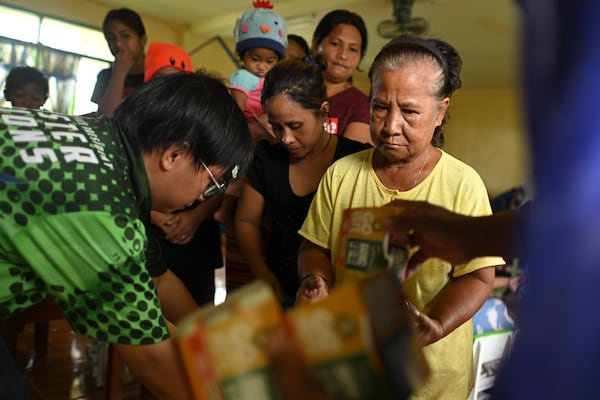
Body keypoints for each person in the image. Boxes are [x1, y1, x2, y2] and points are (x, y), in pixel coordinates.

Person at [0, 72, 254, 399]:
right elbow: (153, 360)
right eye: (213, 181)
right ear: (174, 154)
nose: (206, 196)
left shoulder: (101, 139)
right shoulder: (99, 207)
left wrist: (209, 337)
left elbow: (158, 279)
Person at [296, 36, 504, 400]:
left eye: (409, 112)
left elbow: (480, 276)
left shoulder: (462, 185)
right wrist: (316, 279)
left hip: (432, 381)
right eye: (379, 107)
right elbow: (313, 246)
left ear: (440, 112)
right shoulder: (342, 174)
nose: (391, 125)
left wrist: (436, 324)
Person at [235, 58, 371, 308]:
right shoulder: (268, 159)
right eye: (276, 127)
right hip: (281, 292)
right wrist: (263, 274)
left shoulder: (357, 160)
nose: (286, 138)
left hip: (344, 298)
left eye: (295, 126)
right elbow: (246, 220)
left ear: (323, 112)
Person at [143, 42, 224, 307]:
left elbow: (220, 181)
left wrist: (194, 217)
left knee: (199, 300)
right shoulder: (137, 128)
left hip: (198, 235)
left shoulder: (203, 128)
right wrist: (157, 216)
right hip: (153, 230)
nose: (170, 91)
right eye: (161, 81)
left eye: (178, 82)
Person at [229, 0, 287, 145]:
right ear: (242, 56)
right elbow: (236, 111)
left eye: (269, 61)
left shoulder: (271, 79)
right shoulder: (243, 77)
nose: (261, 66)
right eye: (255, 59)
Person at [310, 9, 372, 144]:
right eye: (335, 44)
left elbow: (350, 159)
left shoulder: (362, 104)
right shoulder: (293, 89)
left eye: (352, 49)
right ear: (315, 45)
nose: (343, 55)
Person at [91, 7, 147, 117]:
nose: (118, 44)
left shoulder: (157, 75)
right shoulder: (105, 76)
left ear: (142, 40)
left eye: (125, 36)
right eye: (111, 38)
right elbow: (106, 118)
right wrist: (119, 74)